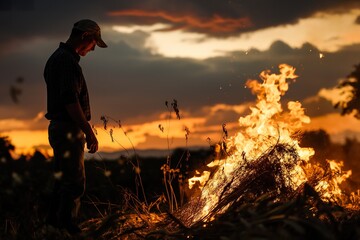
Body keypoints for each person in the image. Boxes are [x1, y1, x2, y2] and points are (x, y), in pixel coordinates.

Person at [43, 19, 107, 234]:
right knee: (74, 182)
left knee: (62, 180)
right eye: (94, 43)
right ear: (85, 37)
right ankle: (68, 229)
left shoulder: (57, 58)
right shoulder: (67, 62)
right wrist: (89, 132)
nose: (93, 49)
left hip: (61, 128)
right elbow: (71, 101)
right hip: (67, 129)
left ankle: (53, 227)